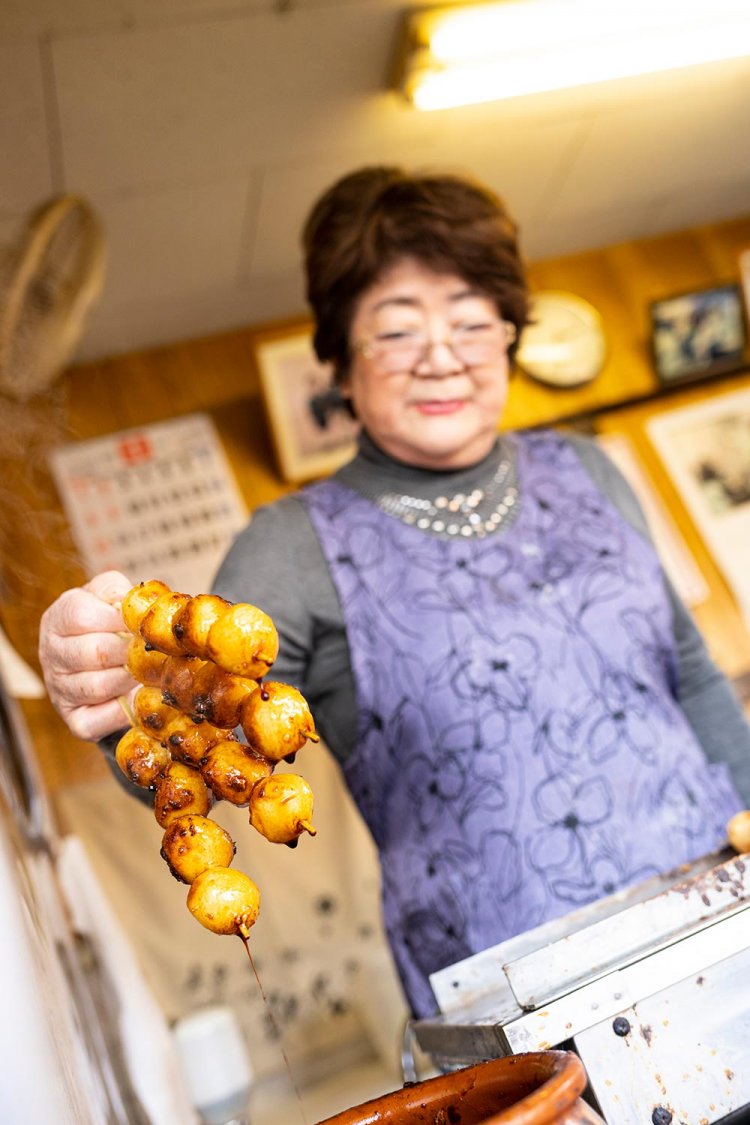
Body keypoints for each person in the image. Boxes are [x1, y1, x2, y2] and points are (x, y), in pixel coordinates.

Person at [39, 165, 750, 1021]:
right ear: (339, 361)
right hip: (522, 995)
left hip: (723, 909)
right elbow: (193, 755)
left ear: (509, 334)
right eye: (398, 329)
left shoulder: (588, 467)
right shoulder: (294, 545)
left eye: (470, 320)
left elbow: (689, 675)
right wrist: (114, 690)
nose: (442, 355)